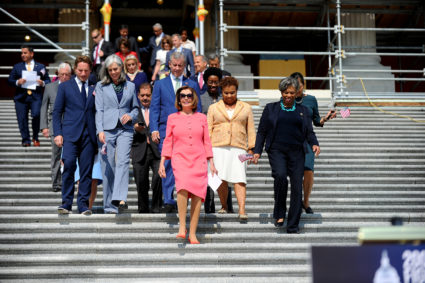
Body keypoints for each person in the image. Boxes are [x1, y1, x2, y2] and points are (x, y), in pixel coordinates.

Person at [252, 77, 320, 233]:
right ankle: (279, 212)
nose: (288, 95)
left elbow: (309, 131)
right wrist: (257, 151)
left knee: (297, 186)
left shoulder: (303, 111)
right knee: (281, 177)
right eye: (285, 92)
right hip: (277, 150)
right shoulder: (271, 108)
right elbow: (262, 131)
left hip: (297, 151)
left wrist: (314, 143)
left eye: (291, 92)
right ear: (281, 92)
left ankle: (293, 224)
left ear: (296, 93)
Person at [159, 86, 217, 244]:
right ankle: (182, 227)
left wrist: (211, 162)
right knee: (182, 189)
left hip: (199, 159)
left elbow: (207, 141)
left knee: (198, 196)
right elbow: (168, 140)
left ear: (194, 98)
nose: (186, 98)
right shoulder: (172, 117)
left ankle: (192, 233)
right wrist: (163, 162)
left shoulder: (202, 118)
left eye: (189, 95)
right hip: (180, 159)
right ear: (178, 99)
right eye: (182, 95)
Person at [150, 52, 201, 213]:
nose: (177, 68)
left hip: (188, 131)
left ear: (184, 66)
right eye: (175, 65)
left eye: (180, 65)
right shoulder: (160, 84)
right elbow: (154, 108)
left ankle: (183, 194)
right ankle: (168, 198)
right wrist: (154, 128)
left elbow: (198, 108)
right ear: (169, 65)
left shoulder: (191, 84)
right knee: (167, 163)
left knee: (185, 164)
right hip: (167, 130)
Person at [52, 55, 96, 215]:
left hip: (89, 136)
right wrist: (57, 133)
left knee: (86, 171)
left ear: (90, 70)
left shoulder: (95, 86)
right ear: (75, 70)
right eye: (80, 70)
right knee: (69, 165)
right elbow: (57, 112)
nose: (83, 73)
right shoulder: (65, 87)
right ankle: (66, 203)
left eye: (86, 70)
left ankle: (83, 205)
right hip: (70, 134)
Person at [95, 55, 139, 214]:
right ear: (107, 70)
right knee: (108, 167)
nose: (113, 72)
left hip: (125, 129)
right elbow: (98, 110)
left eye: (116, 69)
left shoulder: (131, 86)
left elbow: (135, 108)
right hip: (106, 129)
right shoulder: (100, 86)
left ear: (122, 68)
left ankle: (120, 198)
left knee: (123, 162)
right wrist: (99, 130)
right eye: (110, 69)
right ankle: (109, 206)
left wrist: (131, 116)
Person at [207, 77, 256, 220]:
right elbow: (208, 129)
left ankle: (242, 209)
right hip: (217, 146)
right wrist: (207, 150)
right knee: (220, 178)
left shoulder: (246, 107)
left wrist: (251, 148)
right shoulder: (213, 108)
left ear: (237, 91)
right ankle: (224, 205)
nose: (229, 96)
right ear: (222, 92)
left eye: (232, 93)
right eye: (226, 93)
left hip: (239, 147)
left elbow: (251, 129)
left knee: (240, 178)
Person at [290, 72, 336, 214]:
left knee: (308, 169)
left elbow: (316, 121)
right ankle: (296, 200)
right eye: (294, 85)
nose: (297, 88)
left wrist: (326, 118)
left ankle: (306, 201)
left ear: (303, 85)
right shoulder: (286, 99)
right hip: (291, 141)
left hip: (307, 141)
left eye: (300, 85)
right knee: (295, 173)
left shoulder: (311, 100)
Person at [200, 67, 234, 214]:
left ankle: (227, 205)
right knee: (209, 175)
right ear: (205, 82)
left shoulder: (226, 98)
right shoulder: (200, 99)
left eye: (216, 82)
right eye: (210, 82)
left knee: (225, 174)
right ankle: (209, 207)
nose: (213, 85)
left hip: (224, 143)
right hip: (206, 143)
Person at [8, 45, 51, 147]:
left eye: (25, 53)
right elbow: (10, 80)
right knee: (22, 118)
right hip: (21, 97)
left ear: (31, 54)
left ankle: (35, 137)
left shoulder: (40, 67)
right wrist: (18, 82)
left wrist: (42, 83)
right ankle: (25, 140)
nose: (22, 55)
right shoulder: (17, 66)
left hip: (35, 96)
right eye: (21, 53)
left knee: (36, 115)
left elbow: (48, 80)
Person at [40, 62, 72, 192]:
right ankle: (56, 182)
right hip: (55, 126)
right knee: (56, 156)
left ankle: (70, 180)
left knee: (70, 156)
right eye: (62, 74)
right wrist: (44, 127)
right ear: (57, 74)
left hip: (71, 126)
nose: (64, 76)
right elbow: (44, 107)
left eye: (67, 74)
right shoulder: (49, 87)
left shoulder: (74, 87)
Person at [132, 83, 162, 213]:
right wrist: (134, 129)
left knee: (158, 178)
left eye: (148, 95)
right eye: (142, 95)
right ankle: (143, 210)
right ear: (138, 95)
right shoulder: (133, 110)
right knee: (141, 181)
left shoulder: (158, 108)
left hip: (157, 149)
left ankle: (156, 208)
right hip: (139, 148)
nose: (145, 98)